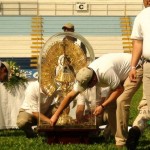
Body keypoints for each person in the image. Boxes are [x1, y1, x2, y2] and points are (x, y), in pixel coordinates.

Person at [50, 53, 143, 147]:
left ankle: (122, 141)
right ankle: (117, 137)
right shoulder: (85, 75)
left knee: (121, 101)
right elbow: (70, 96)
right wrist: (56, 115)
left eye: (87, 86)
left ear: (94, 80)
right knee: (110, 106)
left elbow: (119, 89)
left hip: (135, 67)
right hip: (119, 73)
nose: (85, 88)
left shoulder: (104, 72)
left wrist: (102, 106)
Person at [129, 0, 150, 114]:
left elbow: (137, 42)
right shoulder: (142, 15)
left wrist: (133, 67)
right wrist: (133, 67)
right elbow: (138, 42)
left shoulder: (141, 15)